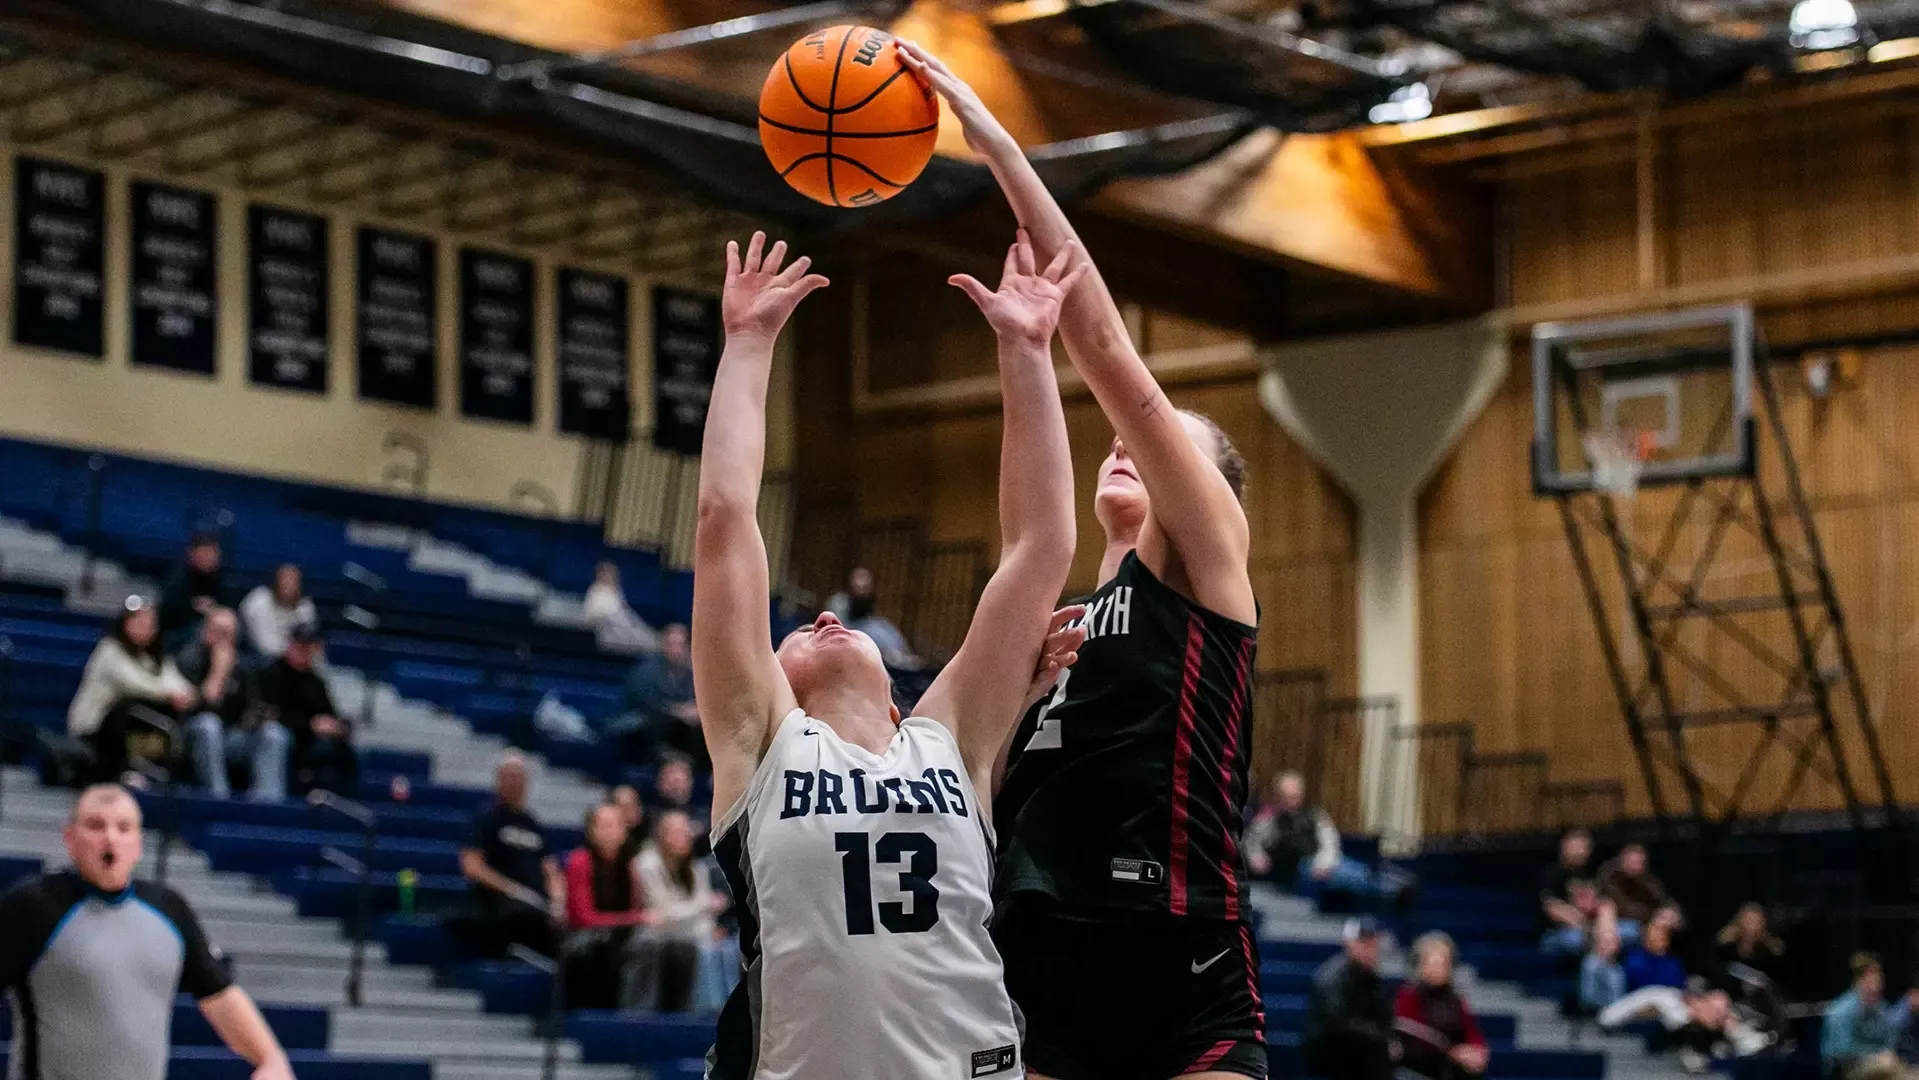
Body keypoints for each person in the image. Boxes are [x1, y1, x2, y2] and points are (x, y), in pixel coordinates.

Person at [903, 42, 1266, 1080]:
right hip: (1039, 940)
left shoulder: (1202, 568)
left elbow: (1105, 351)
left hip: (1175, 937)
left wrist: (995, 144)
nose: (1126, 441)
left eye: (1163, 446)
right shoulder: (1064, 615)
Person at [694, 229, 1083, 1080]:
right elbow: (725, 517)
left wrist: (1024, 351)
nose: (824, 620)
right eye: (797, 629)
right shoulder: (763, 742)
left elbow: (1042, 545)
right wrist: (749, 344)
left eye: (831, 621)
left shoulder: (951, 737)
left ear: (900, 695)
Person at [0, 784, 295, 1080]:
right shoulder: (32, 906)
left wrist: (270, 1058)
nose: (110, 838)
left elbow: (219, 993)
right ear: (70, 838)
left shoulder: (169, 909)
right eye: (95, 826)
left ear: (138, 845)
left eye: (123, 828)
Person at [67, 597, 196, 784]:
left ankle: (151, 772)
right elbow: (134, 683)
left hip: (135, 727)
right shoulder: (109, 650)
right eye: (138, 621)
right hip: (94, 730)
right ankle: (123, 772)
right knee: (128, 708)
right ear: (125, 623)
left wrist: (186, 694)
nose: (145, 626)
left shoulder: (154, 657)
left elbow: (175, 681)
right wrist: (171, 694)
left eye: (150, 622)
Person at [461, 752, 565, 959]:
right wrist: (511, 889)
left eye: (519, 776)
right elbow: (471, 867)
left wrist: (558, 901)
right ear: (498, 779)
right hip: (500, 900)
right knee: (521, 916)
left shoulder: (534, 824)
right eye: (509, 776)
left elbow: (551, 869)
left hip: (537, 901)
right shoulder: (486, 819)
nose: (514, 782)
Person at [178, 608, 289, 800]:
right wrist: (219, 671)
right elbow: (199, 706)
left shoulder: (244, 666)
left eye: (228, 634)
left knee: (274, 734)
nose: (223, 640)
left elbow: (252, 707)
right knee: (208, 725)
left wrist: (255, 718)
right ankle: (219, 800)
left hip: (230, 737)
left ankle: (267, 804)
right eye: (218, 632)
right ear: (205, 632)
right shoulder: (188, 659)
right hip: (191, 735)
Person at [637, 810, 734, 1013]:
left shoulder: (696, 868)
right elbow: (662, 914)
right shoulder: (647, 864)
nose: (684, 836)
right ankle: (701, 1011)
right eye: (677, 832)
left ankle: (725, 1013)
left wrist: (709, 929)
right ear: (662, 835)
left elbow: (701, 917)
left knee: (726, 948)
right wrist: (703, 905)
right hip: (657, 936)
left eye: (686, 832)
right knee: (703, 951)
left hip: (691, 932)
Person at [561, 803, 652, 1009]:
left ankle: (640, 1011)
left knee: (654, 944)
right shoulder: (580, 861)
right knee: (601, 947)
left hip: (621, 934)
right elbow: (583, 918)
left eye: (615, 825)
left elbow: (636, 909)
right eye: (604, 825)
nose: (610, 831)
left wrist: (635, 919)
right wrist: (632, 919)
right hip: (583, 936)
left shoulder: (629, 866)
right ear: (592, 831)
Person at [254, 624, 356, 797]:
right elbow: (271, 715)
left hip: (308, 739)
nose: (306, 651)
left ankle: (340, 802)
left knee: (346, 750)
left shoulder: (315, 681)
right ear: (290, 645)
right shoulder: (270, 674)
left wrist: (337, 726)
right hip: (278, 735)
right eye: (301, 646)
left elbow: (329, 713)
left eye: (310, 647)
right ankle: (270, 799)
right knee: (276, 736)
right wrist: (310, 725)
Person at [1304, 919, 1396, 1080]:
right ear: (1348, 943)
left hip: (1362, 1050)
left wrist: (1388, 1038)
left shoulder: (1374, 978)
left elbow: (1385, 1015)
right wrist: (1378, 1037)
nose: (1368, 950)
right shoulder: (1330, 976)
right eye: (1363, 943)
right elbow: (1336, 1022)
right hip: (1330, 1050)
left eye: (1373, 944)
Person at [1395, 932, 1490, 1080]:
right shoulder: (1409, 996)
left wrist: (1476, 1051)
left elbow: (1471, 1033)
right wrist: (1452, 1053)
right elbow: (1412, 1036)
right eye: (1432, 963)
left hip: (1451, 1067)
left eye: (1442, 963)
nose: (1438, 969)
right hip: (1418, 1067)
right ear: (1420, 965)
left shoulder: (1455, 1000)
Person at [611, 623, 700, 767]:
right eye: (671, 644)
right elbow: (645, 702)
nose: (675, 649)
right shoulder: (646, 670)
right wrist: (677, 710)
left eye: (680, 644)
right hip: (646, 722)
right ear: (663, 645)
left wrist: (696, 710)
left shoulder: (692, 673)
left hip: (678, 729)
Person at [1823, 953, 1911, 1080]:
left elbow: (1890, 1040)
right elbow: (1841, 1051)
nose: (1880, 981)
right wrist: (1876, 1056)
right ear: (1860, 979)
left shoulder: (1880, 1006)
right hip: (1846, 1068)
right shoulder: (1842, 1009)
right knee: (1889, 1065)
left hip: (1879, 1066)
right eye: (1875, 975)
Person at [158, 531, 230, 644]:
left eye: (212, 553)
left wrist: (212, 609)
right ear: (192, 554)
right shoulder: (177, 578)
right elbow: (167, 615)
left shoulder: (222, 580)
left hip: (212, 635)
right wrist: (193, 607)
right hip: (180, 636)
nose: (209, 557)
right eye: (204, 553)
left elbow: (229, 608)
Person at [238, 563, 318, 661]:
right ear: (276, 582)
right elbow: (263, 645)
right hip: (256, 658)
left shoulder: (305, 606)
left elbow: (309, 641)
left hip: (292, 660)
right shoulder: (258, 601)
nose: (289, 584)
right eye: (285, 580)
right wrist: (293, 653)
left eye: (294, 581)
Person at [1541, 828, 1602, 954]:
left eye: (1585, 846)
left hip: (1592, 928)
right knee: (1577, 940)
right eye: (1576, 846)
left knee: (1630, 931)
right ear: (1564, 846)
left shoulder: (1594, 873)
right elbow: (1553, 910)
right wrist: (1588, 927)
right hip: (1558, 932)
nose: (1581, 851)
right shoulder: (1552, 874)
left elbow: (1604, 903)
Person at [1600, 843, 1677, 941]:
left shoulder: (1650, 883)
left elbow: (1666, 902)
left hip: (1643, 926)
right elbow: (1616, 905)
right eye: (1632, 862)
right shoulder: (1610, 878)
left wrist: (1670, 913)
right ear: (1622, 862)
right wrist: (1650, 915)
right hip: (1614, 925)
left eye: (1640, 863)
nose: (1636, 867)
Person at [583, 560, 660, 655]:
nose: (608, 576)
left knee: (649, 638)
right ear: (598, 575)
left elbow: (626, 614)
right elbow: (595, 617)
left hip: (622, 627)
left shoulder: (616, 591)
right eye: (605, 573)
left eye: (610, 573)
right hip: (606, 632)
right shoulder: (595, 592)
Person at [1624, 919, 1687, 992]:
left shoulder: (1674, 965)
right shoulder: (1633, 960)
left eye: (1665, 931)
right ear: (1646, 931)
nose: (1661, 934)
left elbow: (1679, 991)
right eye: (1657, 929)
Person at [1580, 923, 1628, 1013]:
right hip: (1599, 1013)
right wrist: (1611, 1007)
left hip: (1618, 1010)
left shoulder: (1617, 966)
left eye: (1614, 942)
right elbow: (1587, 997)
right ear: (1597, 943)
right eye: (1606, 942)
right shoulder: (1591, 964)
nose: (1612, 946)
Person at [610, 783, 647, 862]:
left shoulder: (649, 831)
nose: (633, 810)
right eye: (626, 806)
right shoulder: (608, 839)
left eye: (636, 804)